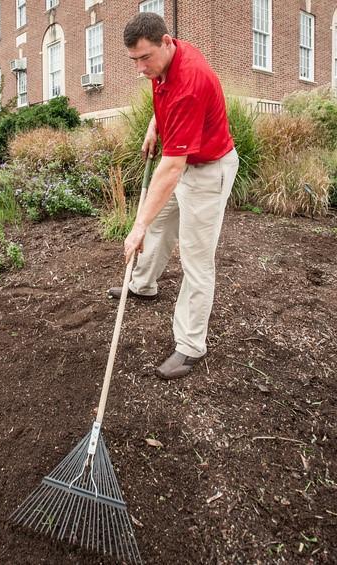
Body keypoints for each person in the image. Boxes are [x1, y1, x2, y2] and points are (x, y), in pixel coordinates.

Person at [108, 12, 239, 380]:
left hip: (209, 171)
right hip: (186, 163)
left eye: (144, 58)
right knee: (160, 225)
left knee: (196, 258)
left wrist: (136, 225)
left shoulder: (189, 82)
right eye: (133, 60)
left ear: (166, 42)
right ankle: (143, 285)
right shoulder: (163, 63)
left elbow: (171, 169)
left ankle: (190, 345)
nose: (140, 68)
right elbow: (161, 93)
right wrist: (154, 124)